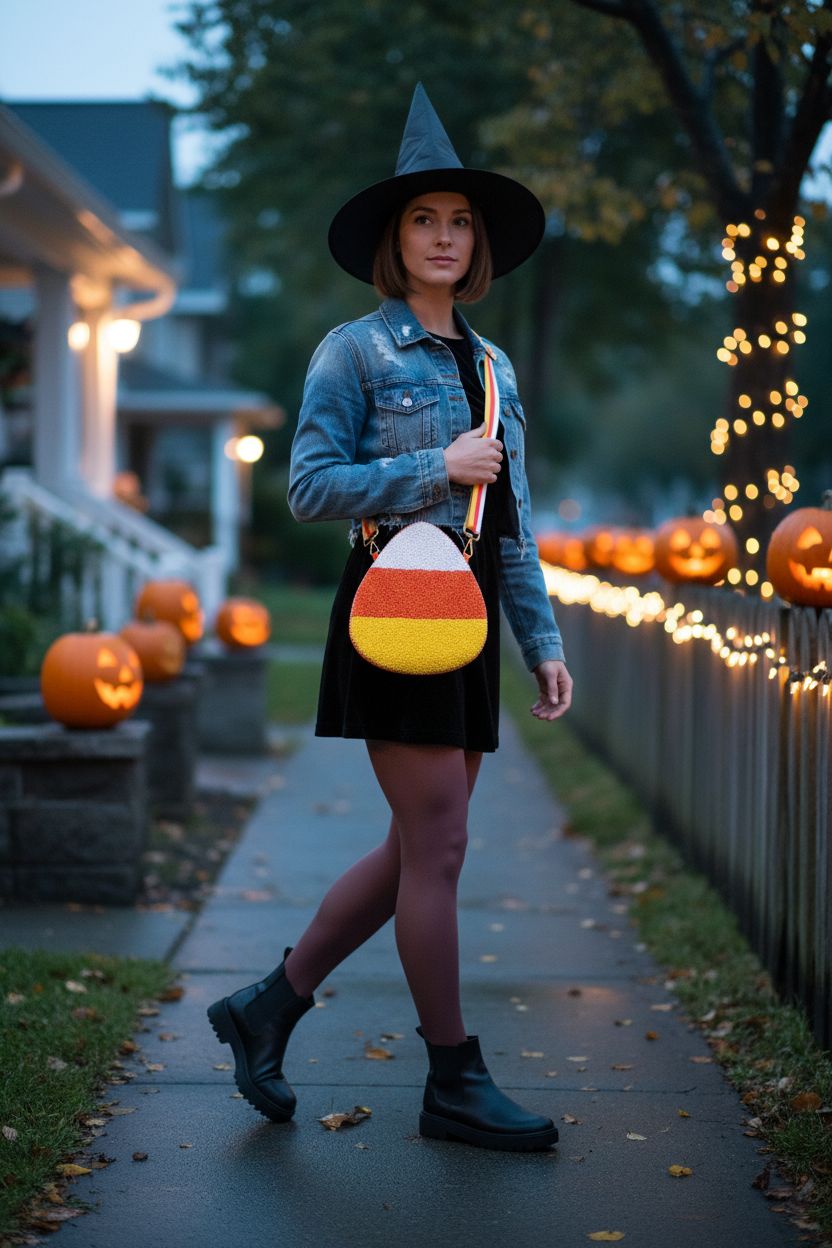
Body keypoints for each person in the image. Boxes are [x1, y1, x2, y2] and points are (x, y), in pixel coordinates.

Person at [208, 83, 573, 1153]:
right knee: (440, 843)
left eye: (460, 221)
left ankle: (267, 1006)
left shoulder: (495, 366)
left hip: (465, 624)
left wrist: (541, 645)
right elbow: (308, 487)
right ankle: (454, 1080)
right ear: (393, 239)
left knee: (422, 845)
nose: (445, 238)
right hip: (391, 610)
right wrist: (432, 462)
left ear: (480, 242)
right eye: (425, 220)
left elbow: (512, 525)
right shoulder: (352, 353)